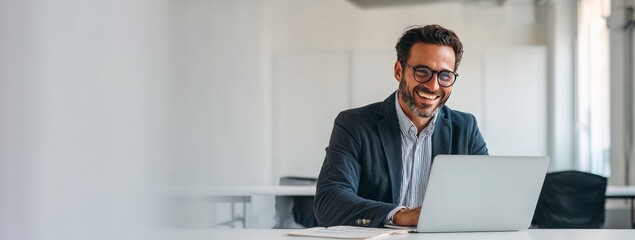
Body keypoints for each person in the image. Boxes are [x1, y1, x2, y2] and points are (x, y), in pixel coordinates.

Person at [313, 24, 488, 228]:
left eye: (445, 75)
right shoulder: (354, 124)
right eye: (422, 72)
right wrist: (398, 215)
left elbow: (485, 197)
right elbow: (329, 201)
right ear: (398, 71)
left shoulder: (465, 128)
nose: (433, 86)